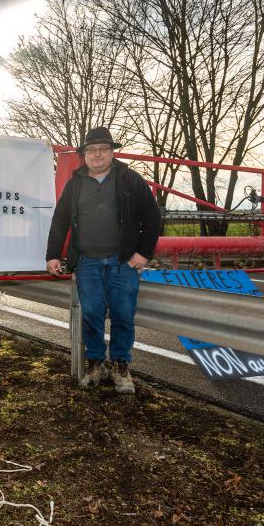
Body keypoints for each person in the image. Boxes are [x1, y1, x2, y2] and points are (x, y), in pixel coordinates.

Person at [45, 127, 161, 394]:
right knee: (92, 314)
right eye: (91, 150)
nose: (97, 154)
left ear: (112, 152)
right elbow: (60, 221)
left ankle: (121, 365)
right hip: (87, 262)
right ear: (83, 155)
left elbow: (152, 217)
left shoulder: (130, 180)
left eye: (102, 149)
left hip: (123, 262)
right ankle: (96, 363)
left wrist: (143, 253)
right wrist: (52, 255)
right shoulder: (75, 184)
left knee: (123, 314)